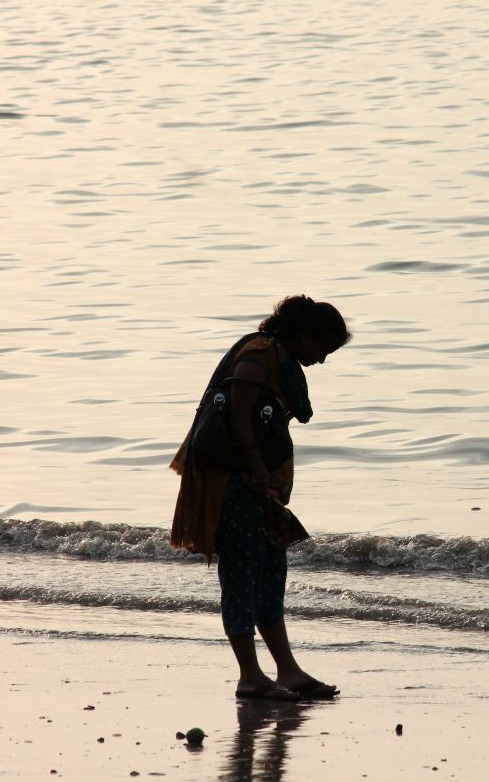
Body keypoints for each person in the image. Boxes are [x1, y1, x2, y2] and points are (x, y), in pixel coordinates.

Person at [170, 295, 350, 701]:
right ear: (304, 335)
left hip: (258, 485)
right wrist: (255, 468)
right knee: (240, 579)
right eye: (322, 348)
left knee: (270, 576)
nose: (321, 360)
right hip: (234, 485)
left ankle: (287, 670)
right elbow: (237, 415)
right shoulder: (256, 357)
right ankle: (249, 676)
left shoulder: (276, 358)